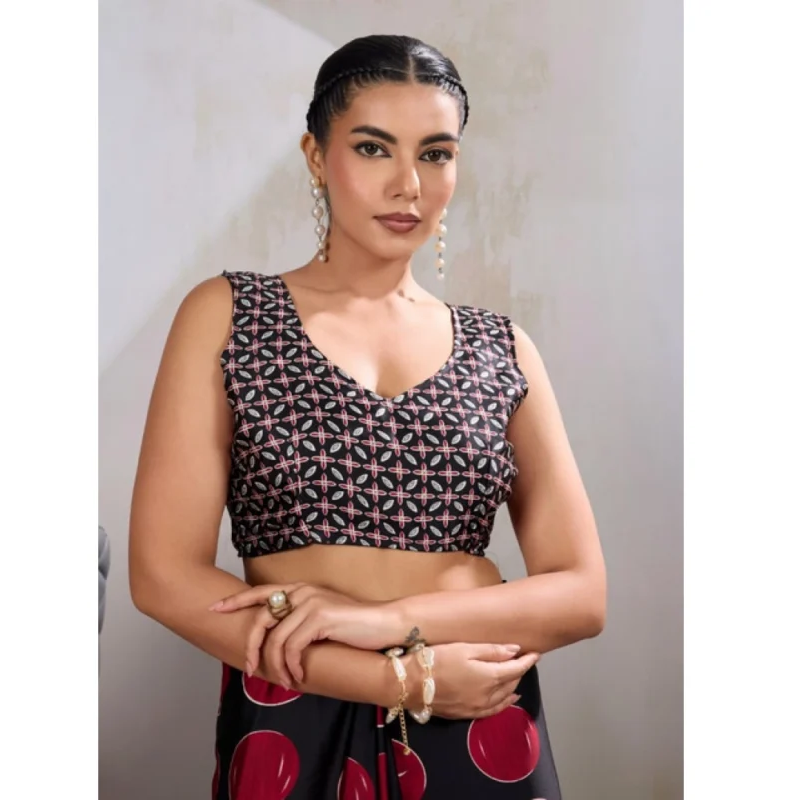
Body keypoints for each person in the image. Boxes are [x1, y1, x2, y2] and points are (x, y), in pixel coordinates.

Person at [129, 34, 606, 799]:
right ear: (316, 157)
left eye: (436, 154)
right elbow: (162, 577)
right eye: (374, 147)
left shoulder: (501, 347)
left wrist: (394, 626)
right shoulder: (231, 315)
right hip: (301, 712)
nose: (409, 184)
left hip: (475, 712)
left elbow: (582, 594)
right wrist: (396, 681)